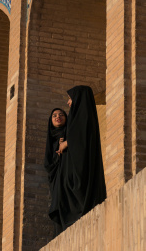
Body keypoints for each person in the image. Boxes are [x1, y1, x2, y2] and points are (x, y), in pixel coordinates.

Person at [46, 85, 107, 236]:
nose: (68, 103)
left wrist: (67, 143)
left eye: (70, 98)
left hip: (79, 171)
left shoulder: (82, 116)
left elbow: (81, 137)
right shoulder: (79, 116)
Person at [43, 107, 68, 237]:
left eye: (61, 114)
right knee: (58, 203)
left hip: (68, 175)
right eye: (54, 115)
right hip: (56, 178)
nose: (58, 117)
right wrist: (57, 156)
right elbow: (48, 164)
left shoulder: (69, 133)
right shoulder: (52, 138)